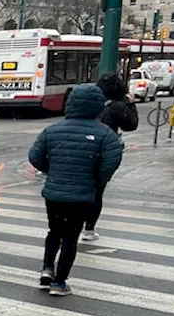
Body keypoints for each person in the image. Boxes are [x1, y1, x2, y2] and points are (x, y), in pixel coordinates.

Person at [28, 85, 122, 297]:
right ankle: (59, 282)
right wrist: (96, 179)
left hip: (54, 192)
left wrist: (51, 171)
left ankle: (46, 270)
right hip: (82, 194)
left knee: (54, 231)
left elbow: (35, 156)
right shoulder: (104, 133)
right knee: (71, 236)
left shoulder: (52, 130)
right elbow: (112, 161)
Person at [84, 73, 139, 241]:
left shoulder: (89, 102)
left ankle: (70, 225)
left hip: (83, 146)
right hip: (102, 151)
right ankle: (89, 229)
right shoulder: (117, 106)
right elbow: (131, 125)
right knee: (97, 191)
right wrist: (131, 104)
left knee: (79, 188)